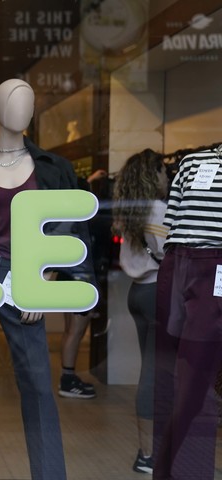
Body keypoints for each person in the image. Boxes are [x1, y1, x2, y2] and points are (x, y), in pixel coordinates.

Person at [0, 78, 96, 480]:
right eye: (10, 100)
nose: (18, 107)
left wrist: (46, 277)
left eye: (26, 100)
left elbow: (68, 229)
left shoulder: (53, 168)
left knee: (39, 385)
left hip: (26, 275)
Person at [153, 145, 222, 480]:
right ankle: (170, 468)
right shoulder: (194, 161)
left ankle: (176, 469)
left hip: (214, 267)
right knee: (176, 376)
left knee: (194, 382)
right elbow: (171, 221)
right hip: (178, 261)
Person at [113, 148, 169, 475]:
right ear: (153, 174)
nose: (167, 177)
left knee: (150, 369)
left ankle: (149, 450)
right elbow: (168, 250)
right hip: (158, 292)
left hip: (137, 293)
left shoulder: (131, 210)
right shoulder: (159, 210)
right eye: (163, 171)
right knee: (154, 373)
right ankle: (148, 454)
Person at [58, 168, 107, 400]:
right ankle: (67, 380)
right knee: (75, 332)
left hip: (69, 277)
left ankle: (68, 376)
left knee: (70, 331)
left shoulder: (65, 214)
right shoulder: (83, 219)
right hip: (81, 279)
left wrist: (91, 180)